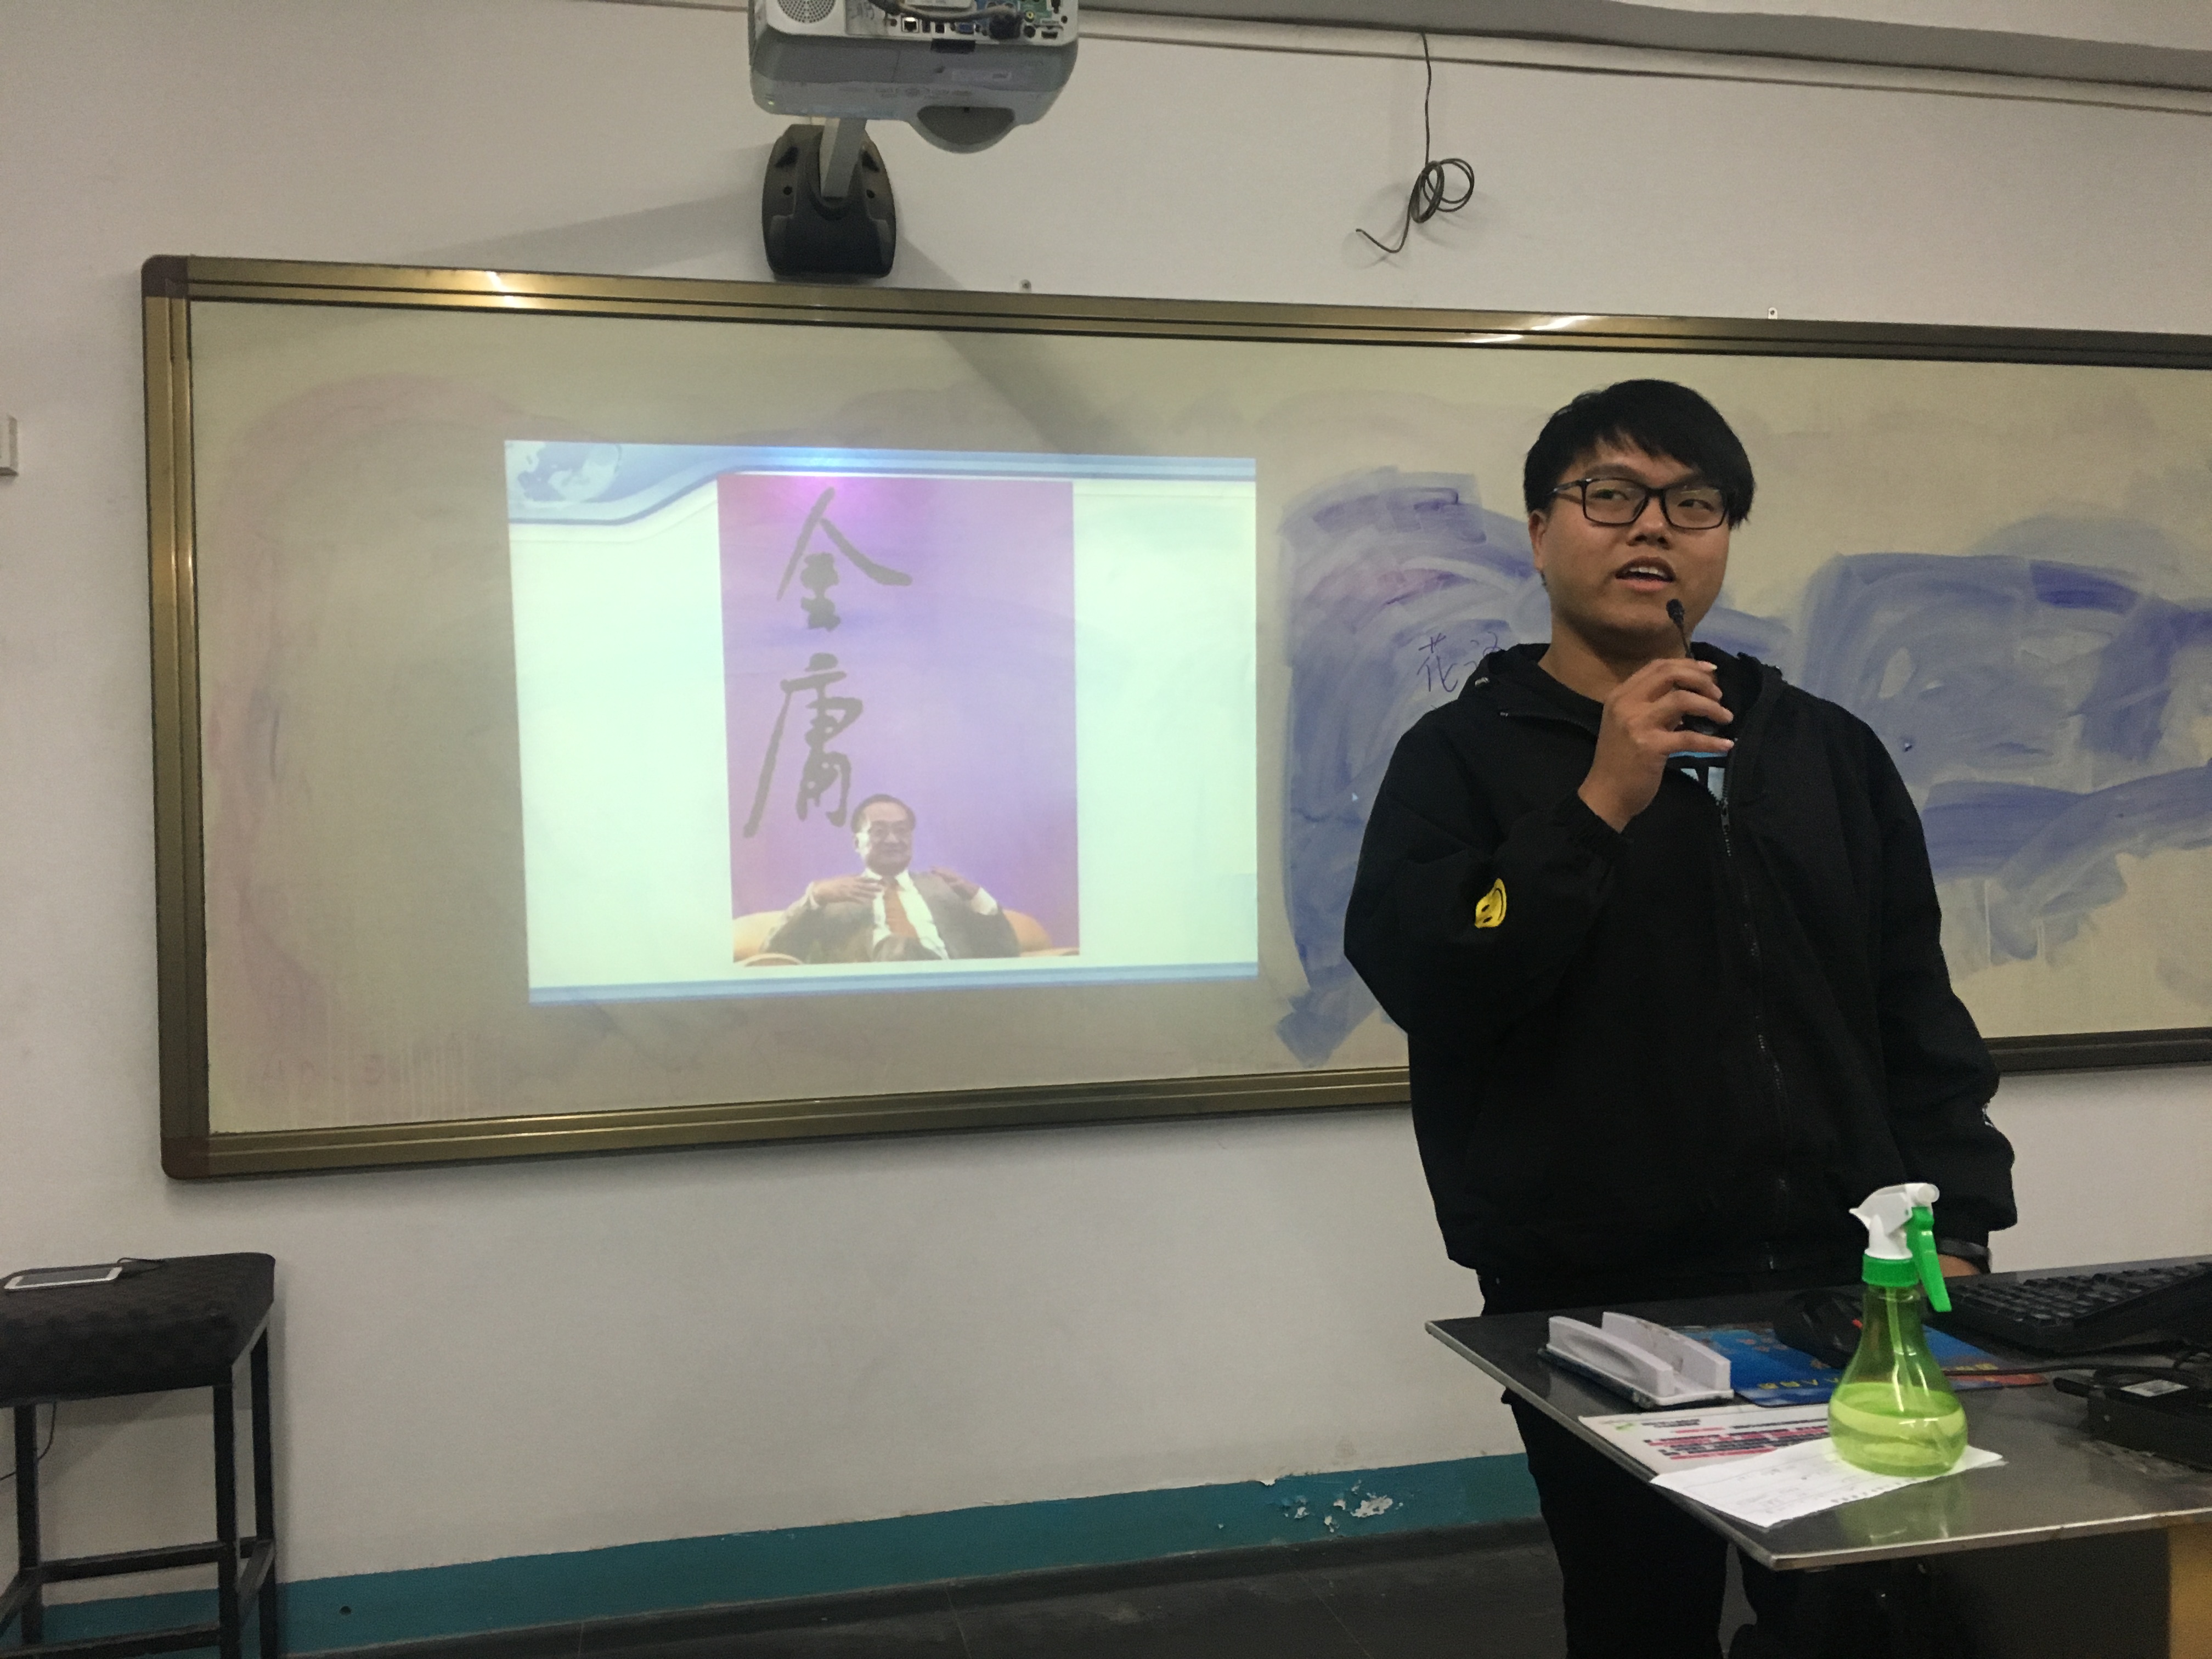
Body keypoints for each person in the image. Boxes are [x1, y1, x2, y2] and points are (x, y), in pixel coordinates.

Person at [1342, 380, 2016, 1659]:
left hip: (1842, 1279)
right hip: (1590, 1296)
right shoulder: (1462, 758)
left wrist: (1962, 1223)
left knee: (1860, 1615)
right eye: (1610, 496)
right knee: (1637, 1618)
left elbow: (1912, 1004)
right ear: (1541, 531)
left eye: (1693, 503)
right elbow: (1434, 977)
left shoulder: (1823, 751)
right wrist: (1598, 801)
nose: (1652, 527)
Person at [766, 793, 1020, 964]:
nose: (893, 840)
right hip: (869, 1005)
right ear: (857, 842)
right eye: (879, 831)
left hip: (953, 995)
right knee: (897, 949)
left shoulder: (944, 889)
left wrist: (977, 897)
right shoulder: (832, 899)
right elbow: (774, 956)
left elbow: (1005, 953)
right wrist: (815, 898)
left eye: (901, 831)